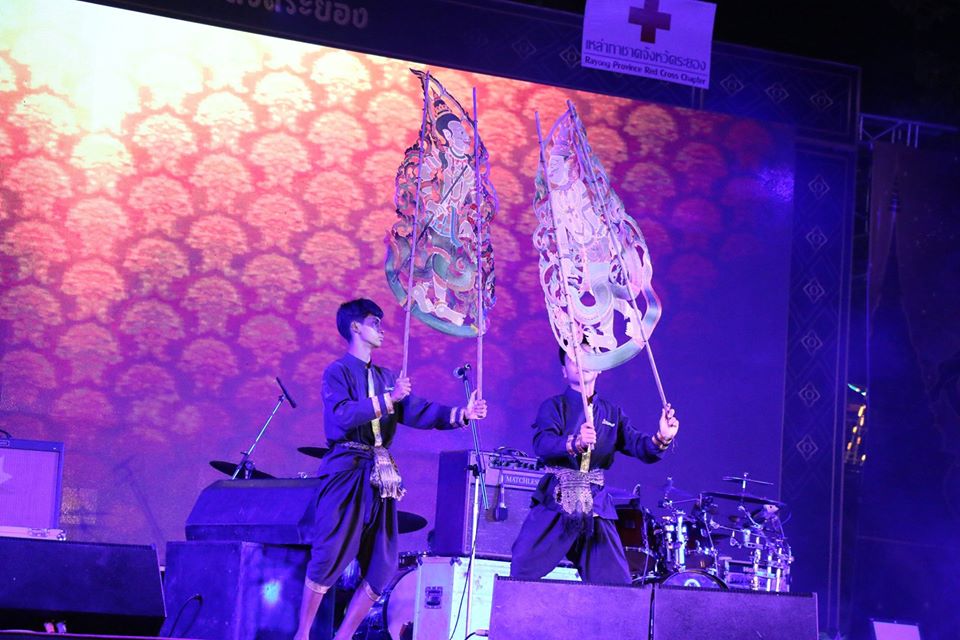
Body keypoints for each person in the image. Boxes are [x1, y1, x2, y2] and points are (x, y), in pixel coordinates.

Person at [294, 298, 487, 640]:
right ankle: (303, 634)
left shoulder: (385, 377)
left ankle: (343, 637)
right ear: (355, 327)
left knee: (383, 565)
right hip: (346, 471)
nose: (381, 329)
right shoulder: (337, 372)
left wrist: (462, 414)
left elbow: (419, 411)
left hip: (380, 477)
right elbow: (342, 415)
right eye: (375, 323)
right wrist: (388, 399)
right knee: (329, 552)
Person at [509, 345, 679, 584]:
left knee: (616, 584)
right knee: (521, 571)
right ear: (564, 371)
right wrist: (575, 443)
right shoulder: (554, 407)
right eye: (573, 358)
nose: (582, 362)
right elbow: (543, 443)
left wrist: (662, 437)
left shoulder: (612, 413)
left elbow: (641, 447)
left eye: (588, 356)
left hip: (595, 503)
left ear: (599, 367)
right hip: (557, 500)